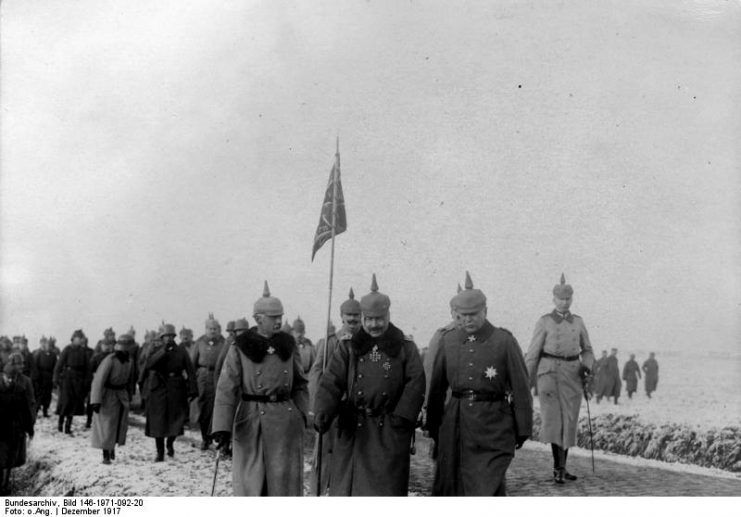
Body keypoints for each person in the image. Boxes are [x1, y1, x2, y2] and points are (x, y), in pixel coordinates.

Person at [313, 274, 425, 496]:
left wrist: (402, 418)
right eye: (369, 319)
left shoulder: (405, 347)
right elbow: (331, 381)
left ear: (388, 316)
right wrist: (323, 410)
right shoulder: (348, 347)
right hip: (355, 430)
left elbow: (416, 383)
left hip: (389, 430)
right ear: (363, 318)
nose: (374, 324)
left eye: (380, 318)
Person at [427, 272, 532, 496]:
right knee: (452, 487)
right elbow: (436, 389)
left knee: (486, 485)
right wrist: (434, 426)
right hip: (455, 425)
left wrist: (522, 428)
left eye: (473, 314)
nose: (468, 320)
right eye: (463, 315)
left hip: (492, 426)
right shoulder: (448, 341)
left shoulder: (504, 341)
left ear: (486, 311)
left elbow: (521, 388)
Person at [211, 281, 308, 496]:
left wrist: (301, 415)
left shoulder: (288, 345)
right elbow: (226, 388)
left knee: (282, 485)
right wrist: (222, 427)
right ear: (258, 318)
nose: (278, 322)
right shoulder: (241, 346)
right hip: (251, 420)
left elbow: (300, 383)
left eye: (280, 317)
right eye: (273, 317)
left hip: (284, 422)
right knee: (252, 484)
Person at [525, 273, 595, 484]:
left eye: (568, 299)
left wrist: (586, 366)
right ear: (554, 299)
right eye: (561, 299)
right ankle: (559, 468)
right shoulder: (544, 321)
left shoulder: (579, 322)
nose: (564, 302)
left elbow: (588, 350)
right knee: (555, 421)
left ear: (572, 300)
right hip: (549, 375)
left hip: (572, 375)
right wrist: (525, 382)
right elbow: (532, 353)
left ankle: (562, 467)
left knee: (569, 421)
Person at [308, 288, 362, 495]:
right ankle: (319, 494)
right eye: (348, 316)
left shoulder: (365, 342)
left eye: (356, 316)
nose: (352, 320)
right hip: (331, 407)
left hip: (354, 408)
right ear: (341, 317)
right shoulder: (329, 341)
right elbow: (315, 373)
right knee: (324, 455)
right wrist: (319, 405)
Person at [139, 324, 197, 462]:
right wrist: (164, 350)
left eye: (171, 336)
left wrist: (193, 389)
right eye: (166, 336)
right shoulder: (155, 350)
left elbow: (190, 370)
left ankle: (170, 442)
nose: (169, 338)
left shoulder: (181, 351)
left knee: (176, 419)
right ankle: (160, 452)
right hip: (158, 388)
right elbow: (150, 364)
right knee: (158, 421)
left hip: (176, 387)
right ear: (162, 337)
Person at [90, 335, 135, 464]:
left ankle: (112, 448)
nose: (124, 351)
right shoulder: (110, 360)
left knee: (119, 425)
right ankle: (106, 454)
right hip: (108, 395)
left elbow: (131, 379)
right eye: (123, 348)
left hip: (121, 395)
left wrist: (129, 395)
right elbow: (99, 380)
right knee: (107, 425)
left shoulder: (129, 361)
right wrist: (96, 401)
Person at [0, 353, 35, 496]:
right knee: (2, 455)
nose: (22, 366)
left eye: (23, 363)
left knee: (10, 457)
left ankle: (5, 485)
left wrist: (29, 425)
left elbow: (30, 404)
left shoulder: (26, 381)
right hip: (1, 423)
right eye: (19, 364)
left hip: (16, 424)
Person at [191, 314, 226, 450]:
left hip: (218, 378)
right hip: (203, 378)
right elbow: (192, 363)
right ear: (205, 329)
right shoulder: (199, 342)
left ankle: (215, 437)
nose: (213, 331)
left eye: (215, 328)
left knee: (216, 409)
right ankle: (205, 438)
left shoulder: (223, 343)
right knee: (203, 409)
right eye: (210, 328)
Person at [53, 330, 92, 435]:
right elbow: (59, 365)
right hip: (67, 379)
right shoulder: (67, 349)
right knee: (65, 402)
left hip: (78, 381)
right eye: (78, 338)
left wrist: (87, 381)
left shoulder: (83, 352)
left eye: (81, 338)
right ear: (73, 338)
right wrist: (56, 379)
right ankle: (60, 423)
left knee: (73, 404)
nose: (80, 340)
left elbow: (87, 368)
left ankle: (68, 426)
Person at [87, 337, 114, 429]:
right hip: (97, 384)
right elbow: (90, 369)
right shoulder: (97, 357)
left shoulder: (113, 357)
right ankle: (89, 420)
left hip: (109, 385)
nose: (107, 347)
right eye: (105, 345)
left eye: (109, 345)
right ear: (101, 346)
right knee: (92, 401)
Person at [32, 336, 57, 417]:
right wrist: (37, 377)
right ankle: (35, 411)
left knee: (47, 395)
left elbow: (55, 367)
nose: (48, 347)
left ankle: (45, 411)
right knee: (39, 395)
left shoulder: (53, 355)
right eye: (47, 345)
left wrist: (54, 378)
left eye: (50, 346)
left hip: (49, 378)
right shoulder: (39, 354)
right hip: (40, 377)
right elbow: (35, 366)